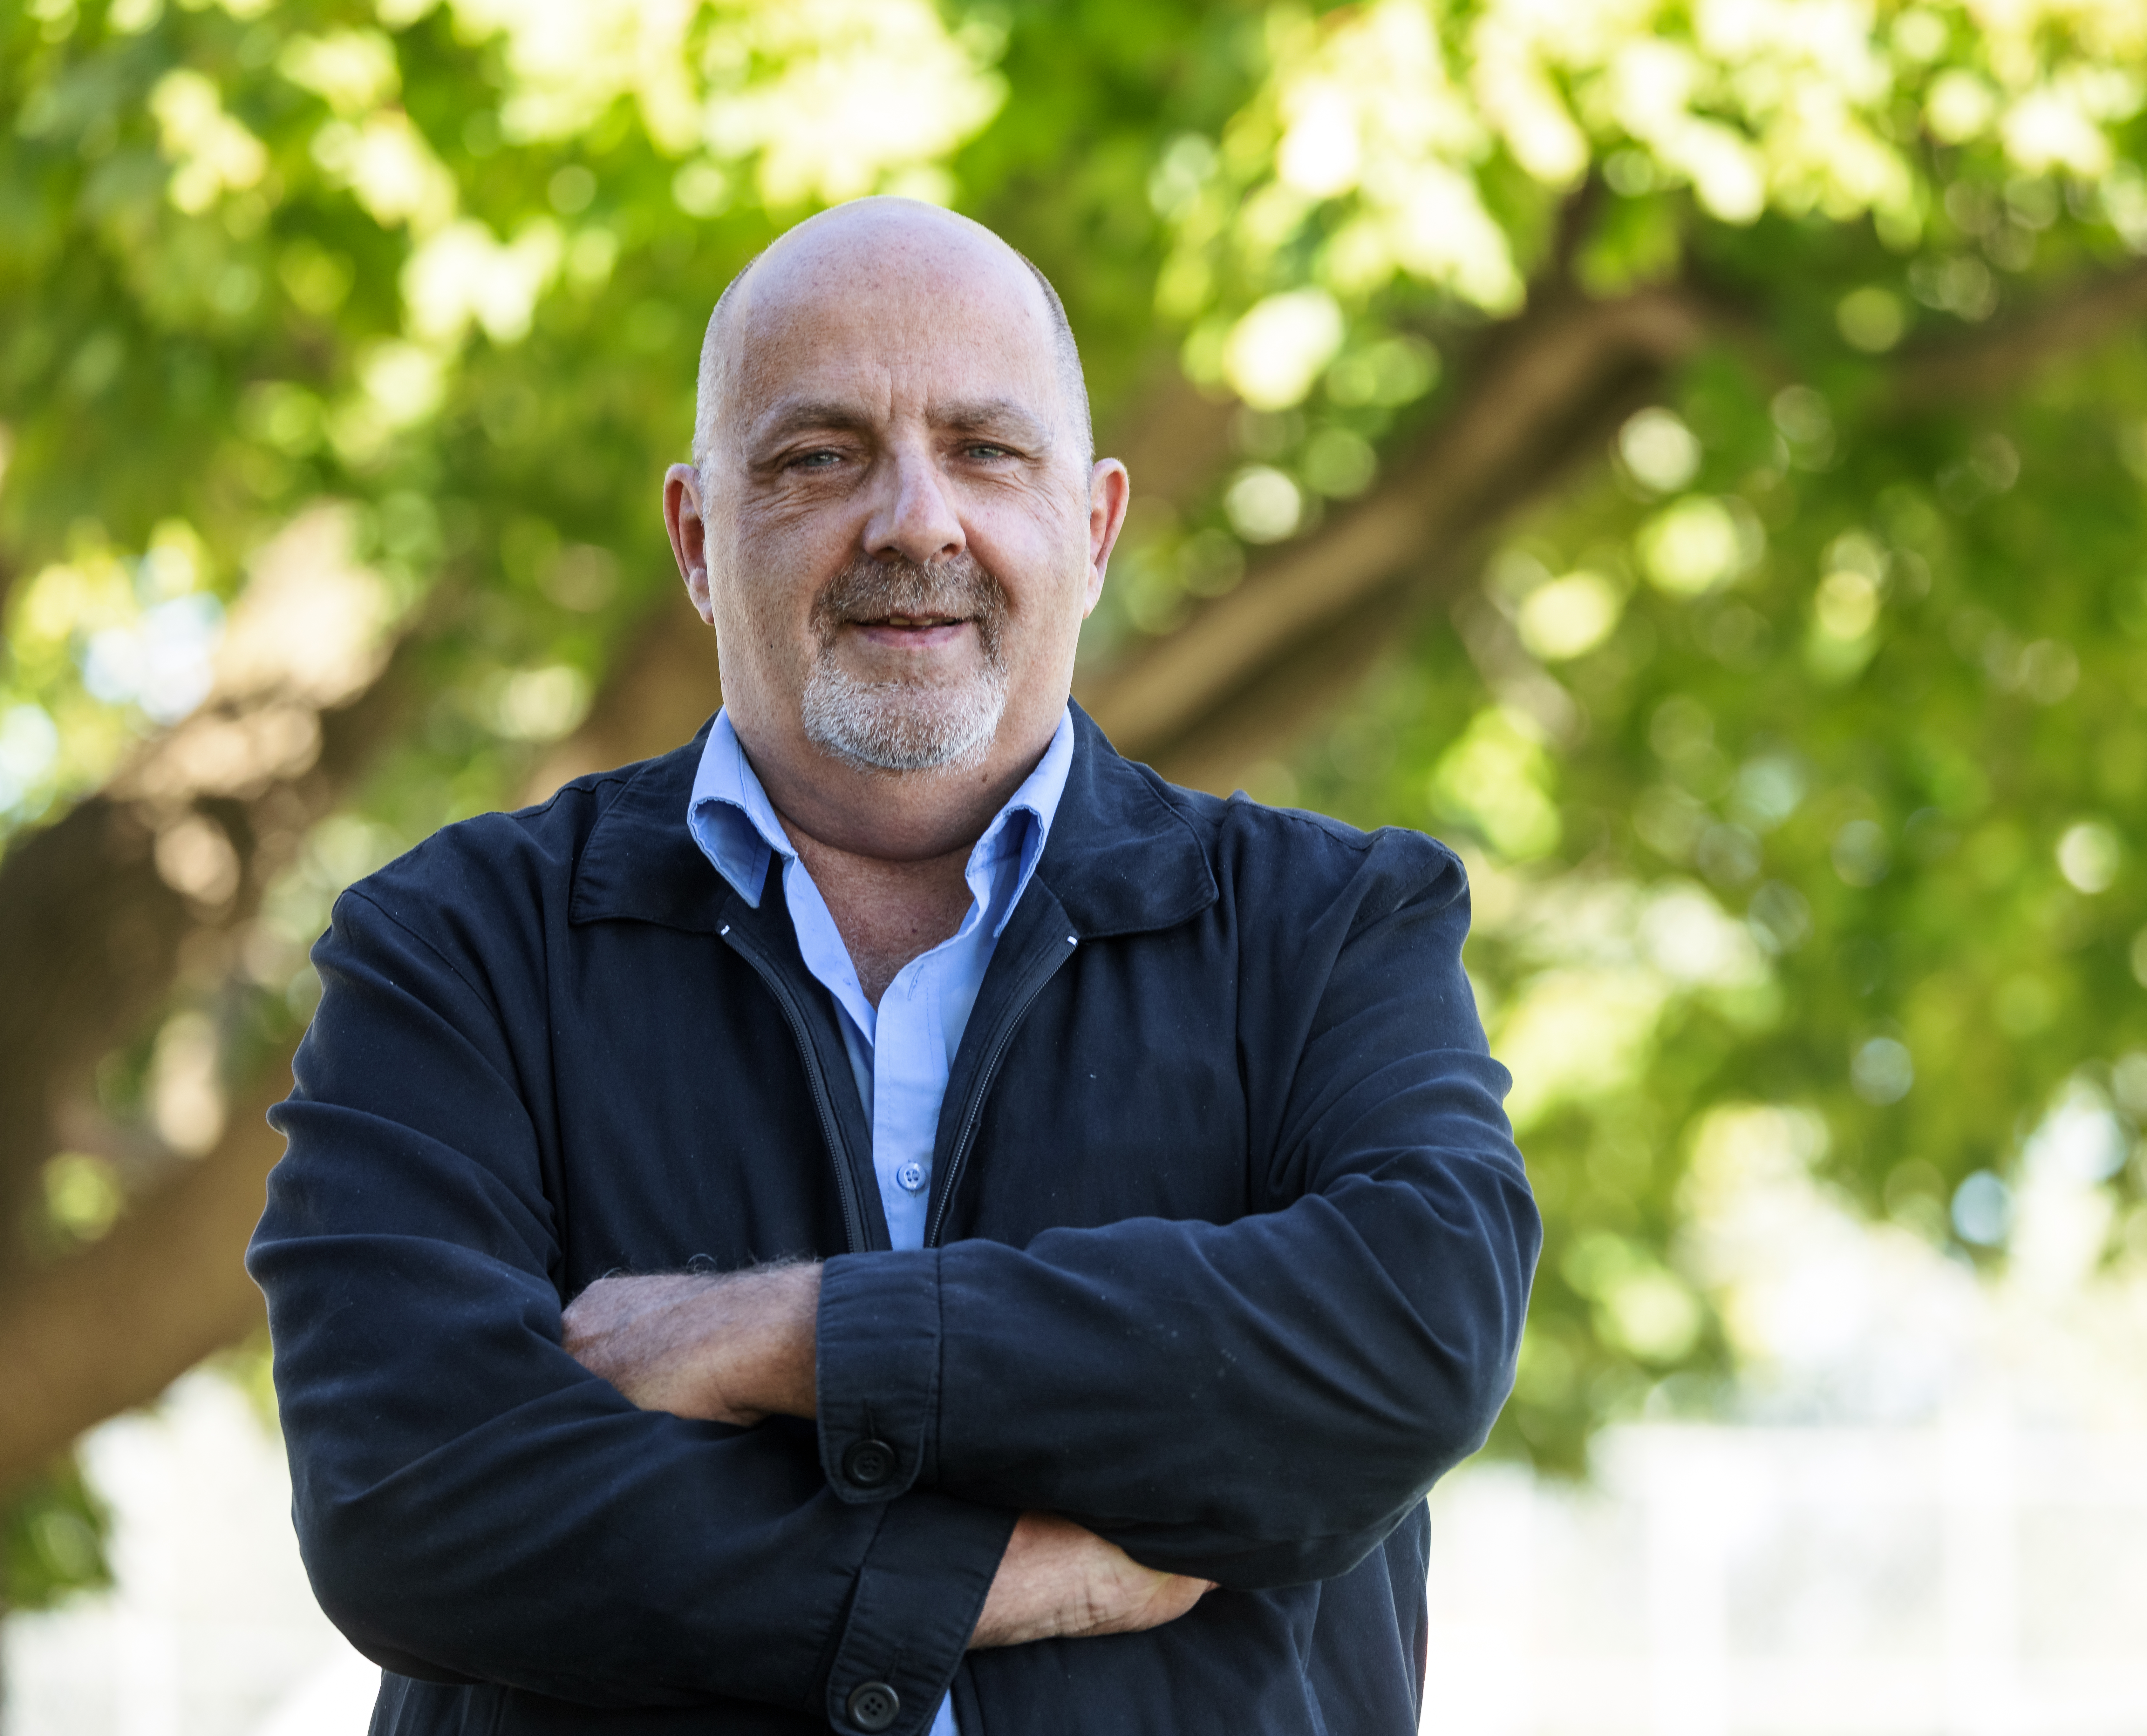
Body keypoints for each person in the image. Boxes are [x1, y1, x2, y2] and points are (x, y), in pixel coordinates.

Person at [248, 197, 1539, 1735]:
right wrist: (1001, 1579)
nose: (915, 522)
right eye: (817, 458)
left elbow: (1411, 1335)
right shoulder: (456, 948)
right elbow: (413, 1494)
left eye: (988, 451)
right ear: (694, 537)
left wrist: (789, 1336)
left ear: (1097, 525)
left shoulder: (1334, 926)